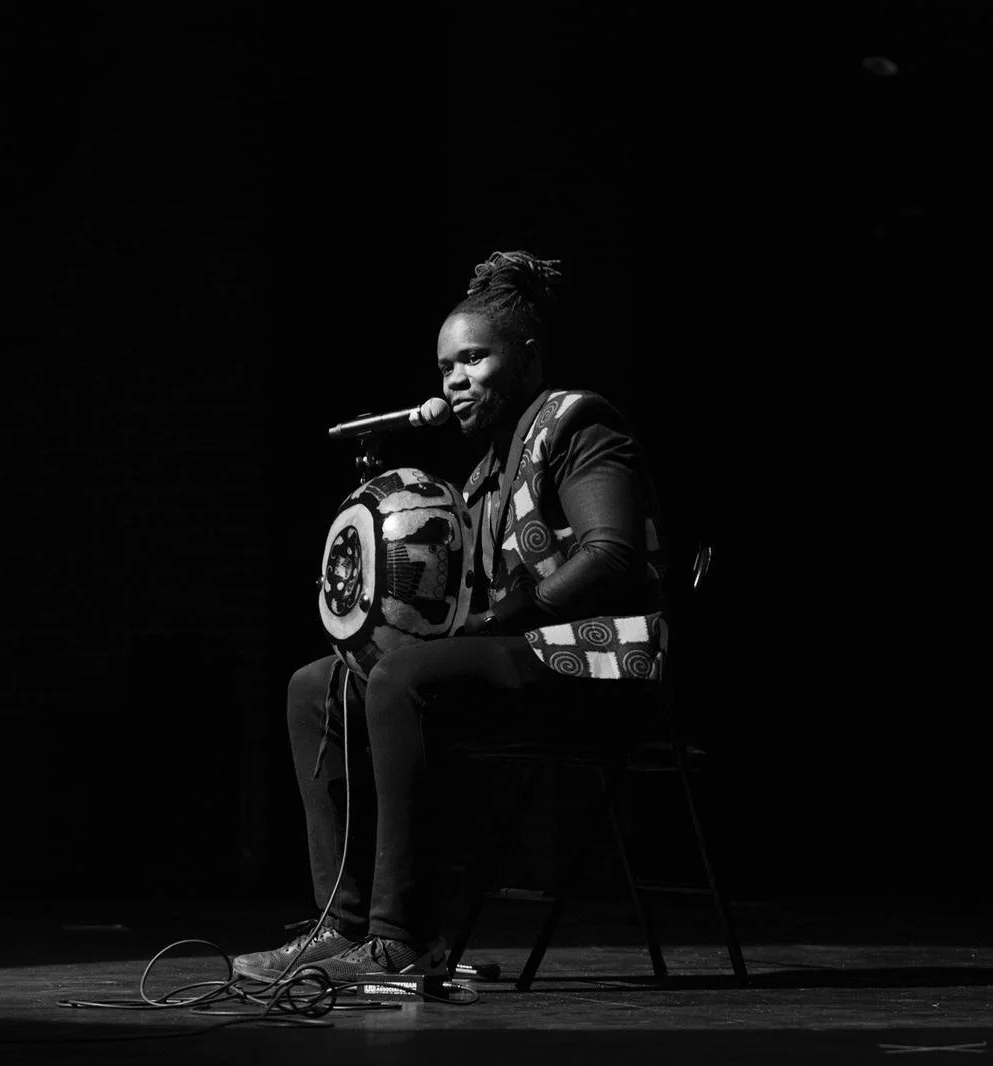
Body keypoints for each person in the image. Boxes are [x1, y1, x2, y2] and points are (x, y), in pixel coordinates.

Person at [233, 250, 670, 984]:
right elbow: (457, 602)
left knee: (401, 679)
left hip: (599, 663)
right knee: (318, 685)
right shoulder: (481, 478)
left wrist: (501, 618)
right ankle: (341, 926)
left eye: (473, 358)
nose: (455, 380)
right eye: (444, 368)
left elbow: (610, 558)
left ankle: (401, 936)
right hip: (525, 662)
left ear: (526, 357)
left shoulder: (578, 425)